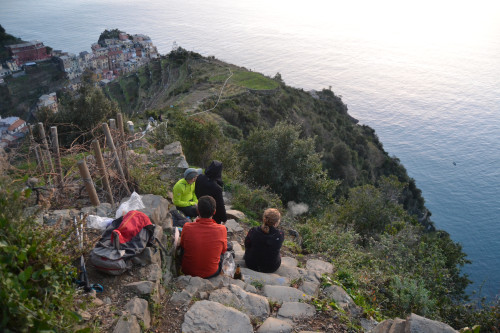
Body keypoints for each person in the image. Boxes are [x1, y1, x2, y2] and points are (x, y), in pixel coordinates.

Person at [180, 195, 228, 278]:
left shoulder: (187, 227)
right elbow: (223, 250)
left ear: (198, 211)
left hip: (188, 271)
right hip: (211, 272)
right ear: (214, 212)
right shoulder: (222, 229)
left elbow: (183, 245)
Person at [243, 208, 284, 273]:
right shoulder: (280, 234)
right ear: (276, 223)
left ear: (264, 218)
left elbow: (247, 245)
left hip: (251, 264)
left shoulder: (253, 230)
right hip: (271, 267)